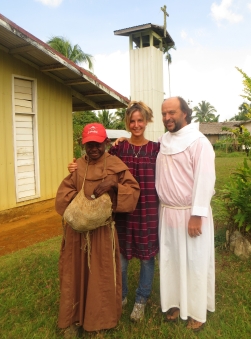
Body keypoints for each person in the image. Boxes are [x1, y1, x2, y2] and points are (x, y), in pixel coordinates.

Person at [68, 101, 160, 322]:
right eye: (132, 121)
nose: (136, 124)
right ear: (127, 123)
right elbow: (94, 158)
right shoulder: (118, 148)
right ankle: (122, 295)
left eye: (140, 120)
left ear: (146, 121)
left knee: (147, 259)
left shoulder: (157, 149)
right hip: (122, 212)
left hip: (148, 209)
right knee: (121, 258)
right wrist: (75, 166)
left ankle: (141, 300)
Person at [55, 123, 140, 338]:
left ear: (106, 143)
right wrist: (81, 205)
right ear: (83, 145)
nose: (93, 148)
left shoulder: (115, 164)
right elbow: (63, 195)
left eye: (98, 144)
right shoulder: (78, 166)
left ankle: (99, 321)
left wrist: (114, 185)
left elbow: (132, 192)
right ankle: (73, 319)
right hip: (78, 233)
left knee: (100, 276)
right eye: (89, 144)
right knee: (75, 273)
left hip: (102, 233)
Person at [156, 97, 215, 332]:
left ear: (185, 113)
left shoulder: (198, 142)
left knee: (195, 263)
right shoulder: (163, 141)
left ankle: (198, 310)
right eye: (163, 114)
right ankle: (176, 303)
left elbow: (205, 178)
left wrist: (197, 214)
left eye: (172, 112)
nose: (167, 117)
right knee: (173, 261)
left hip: (190, 214)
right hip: (168, 212)